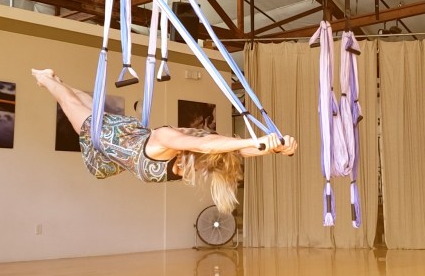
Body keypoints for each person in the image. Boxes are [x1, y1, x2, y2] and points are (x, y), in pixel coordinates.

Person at [32, 69, 297, 214]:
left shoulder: (170, 141)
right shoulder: (185, 158)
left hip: (105, 150)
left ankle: (47, 79)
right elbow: (228, 150)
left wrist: (264, 145)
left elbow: (219, 148)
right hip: (119, 142)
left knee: (73, 102)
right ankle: (53, 79)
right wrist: (271, 147)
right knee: (84, 105)